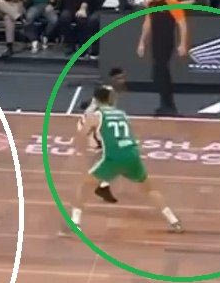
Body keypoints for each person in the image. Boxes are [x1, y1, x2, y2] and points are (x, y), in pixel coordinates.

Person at [70, 85, 183, 232]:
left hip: (113, 157)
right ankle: (174, 221)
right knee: (150, 190)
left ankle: (75, 222)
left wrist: (83, 152)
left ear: (96, 100)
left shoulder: (95, 116)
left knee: (84, 186)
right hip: (132, 154)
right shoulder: (122, 114)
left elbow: (81, 135)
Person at [136, 0, 187, 115]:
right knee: (158, 72)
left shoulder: (171, 2)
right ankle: (165, 103)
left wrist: (182, 43)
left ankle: (169, 105)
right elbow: (147, 22)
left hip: (167, 41)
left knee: (162, 70)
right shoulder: (151, 3)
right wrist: (142, 42)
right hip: (155, 41)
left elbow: (182, 24)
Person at [78, 68, 127, 204]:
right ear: (113, 79)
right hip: (92, 124)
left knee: (104, 155)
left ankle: (102, 185)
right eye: (119, 78)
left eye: (123, 78)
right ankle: (98, 184)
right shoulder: (109, 92)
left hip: (96, 123)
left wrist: (87, 103)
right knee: (106, 154)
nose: (122, 81)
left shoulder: (110, 91)